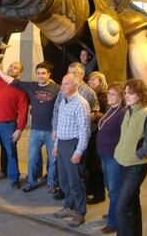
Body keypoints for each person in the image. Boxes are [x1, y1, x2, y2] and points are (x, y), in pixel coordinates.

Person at [0, 61, 60, 194]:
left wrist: (57, 130)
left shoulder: (57, 89)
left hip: (51, 131)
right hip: (35, 130)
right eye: (38, 73)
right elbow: (12, 82)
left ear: (49, 74)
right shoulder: (31, 87)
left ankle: (52, 183)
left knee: (53, 159)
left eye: (43, 73)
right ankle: (31, 182)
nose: (40, 76)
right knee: (32, 158)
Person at [114, 79, 147, 236]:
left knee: (121, 208)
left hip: (136, 167)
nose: (127, 96)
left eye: (130, 93)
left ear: (140, 94)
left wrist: (137, 155)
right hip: (122, 163)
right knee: (132, 204)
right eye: (125, 93)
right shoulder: (128, 111)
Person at [52, 62, 99, 200]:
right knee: (64, 176)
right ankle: (68, 202)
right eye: (69, 72)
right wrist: (56, 135)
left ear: (81, 75)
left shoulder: (86, 95)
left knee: (76, 177)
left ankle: (79, 208)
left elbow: (92, 115)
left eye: (74, 73)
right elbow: (57, 112)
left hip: (76, 139)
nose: (63, 86)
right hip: (62, 140)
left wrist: (79, 149)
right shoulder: (63, 96)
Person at [52, 73, 91, 228]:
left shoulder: (81, 104)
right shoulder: (63, 101)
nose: (63, 86)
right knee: (63, 180)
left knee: (75, 181)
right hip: (62, 143)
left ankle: (80, 212)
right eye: (62, 83)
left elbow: (85, 130)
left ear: (75, 86)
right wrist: (56, 146)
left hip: (73, 145)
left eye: (67, 84)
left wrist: (79, 151)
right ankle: (69, 206)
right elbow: (60, 125)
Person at [96, 82, 126, 234]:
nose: (109, 96)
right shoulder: (110, 109)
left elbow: (124, 137)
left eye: (113, 94)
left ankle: (113, 222)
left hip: (113, 158)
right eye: (109, 94)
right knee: (109, 187)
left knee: (114, 190)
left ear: (121, 97)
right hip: (104, 156)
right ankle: (113, 212)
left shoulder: (122, 113)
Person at [86, 71, 109, 205]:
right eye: (90, 80)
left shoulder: (104, 96)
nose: (92, 82)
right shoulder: (90, 95)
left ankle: (99, 194)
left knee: (96, 165)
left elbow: (108, 115)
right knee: (89, 163)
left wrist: (96, 115)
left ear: (101, 82)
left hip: (99, 133)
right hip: (90, 131)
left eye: (95, 80)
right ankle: (91, 189)